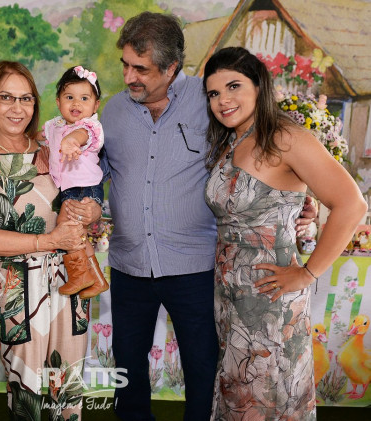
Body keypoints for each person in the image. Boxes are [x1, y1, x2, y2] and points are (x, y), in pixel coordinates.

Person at [95, 12, 317, 421]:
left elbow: (264, 154)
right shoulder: (112, 112)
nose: (128, 77)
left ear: (171, 67)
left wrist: (303, 197)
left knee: (202, 370)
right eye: (125, 65)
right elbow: (94, 172)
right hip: (128, 266)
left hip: (196, 269)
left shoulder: (213, 103)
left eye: (141, 69)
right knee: (127, 368)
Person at [203, 46, 366, 420]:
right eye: (213, 93)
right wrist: (302, 206)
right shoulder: (231, 140)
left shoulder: (285, 137)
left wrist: (308, 273)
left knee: (271, 394)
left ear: (259, 86)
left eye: (233, 86)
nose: (223, 100)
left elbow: (352, 205)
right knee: (240, 393)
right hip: (230, 298)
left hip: (271, 299)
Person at [0, 60, 101, 421]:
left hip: (69, 286)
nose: (17, 108)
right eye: (6, 97)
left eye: (26, 98)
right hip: (18, 296)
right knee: (28, 400)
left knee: (68, 394)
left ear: (36, 103)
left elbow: (87, 190)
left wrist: (92, 210)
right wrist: (49, 240)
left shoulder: (53, 148)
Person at [44, 65, 108, 299]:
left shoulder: (89, 127)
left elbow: (79, 137)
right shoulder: (55, 125)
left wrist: (71, 142)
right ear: (58, 101)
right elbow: (43, 137)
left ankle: (80, 275)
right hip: (70, 188)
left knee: (67, 227)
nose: (76, 104)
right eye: (69, 97)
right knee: (78, 233)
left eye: (84, 98)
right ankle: (97, 279)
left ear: (95, 105)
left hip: (84, 187)